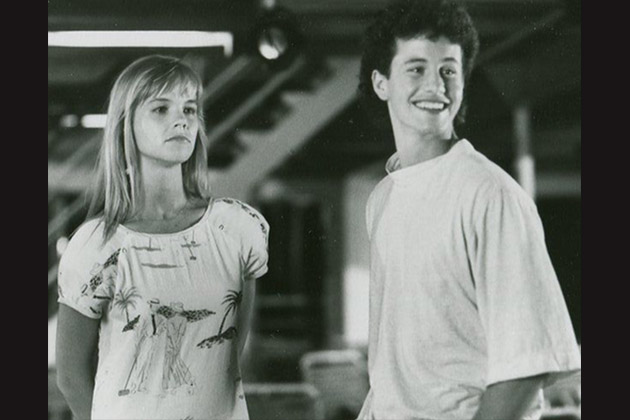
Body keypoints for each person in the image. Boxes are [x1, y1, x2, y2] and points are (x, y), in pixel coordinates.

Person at [355, 1, 581, 419]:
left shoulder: (491, 194)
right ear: (381, 83)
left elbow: (526, 369)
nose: (435, 85)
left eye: (449, 71)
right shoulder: (383, 198)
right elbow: (392, 372)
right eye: (416, 68)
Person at [55, 55, 269, 420]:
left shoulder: (237, 228)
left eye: (189, 109)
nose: (181, 120)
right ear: (127, 125)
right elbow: (71, 377)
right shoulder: (97, 244)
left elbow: (228, 361)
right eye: (160, 109)